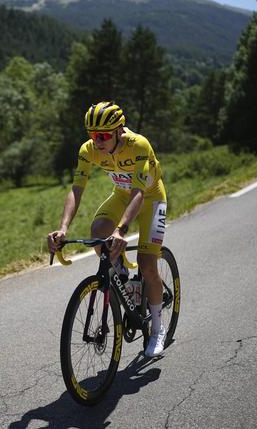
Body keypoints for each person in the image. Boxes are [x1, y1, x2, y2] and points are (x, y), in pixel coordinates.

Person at [47, 101, 168, 357]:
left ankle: (158, 329)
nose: (97, 141)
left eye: (102, 135)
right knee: (97, 232)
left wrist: (122, 230)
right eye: (92, 135)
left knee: (147, 265)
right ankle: (123, 278)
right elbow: (76, 189)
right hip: (121, 195)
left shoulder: (138, 145)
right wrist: (63, 229)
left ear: (119, 131)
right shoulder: (88, 150)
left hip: (150, 198)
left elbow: (138, 191)